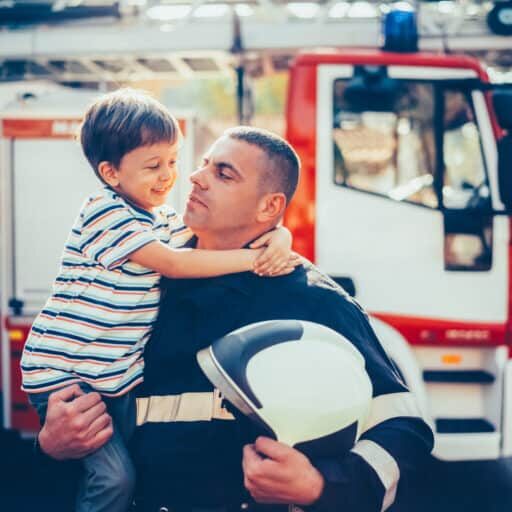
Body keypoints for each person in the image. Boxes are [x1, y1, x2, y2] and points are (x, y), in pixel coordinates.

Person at [35, 126, 434, 512]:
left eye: (223, 173)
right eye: (204, 164)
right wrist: (51, 446)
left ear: (270, 207)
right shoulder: (139, 278)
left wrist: (320, 485)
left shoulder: (312, 300)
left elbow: (404, 427)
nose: (194, 176)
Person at [21, 90, 295, 512]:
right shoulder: (105, 212)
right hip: (71, 377)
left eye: (173, 160)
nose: (171, 175)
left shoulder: (159, 218)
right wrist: (255, 259)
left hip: (113, 376)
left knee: (140, 466)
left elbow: (207, 241)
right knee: (114, 477)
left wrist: (279, 233)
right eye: (153, 166)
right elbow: (175, 262)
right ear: (111, 174)